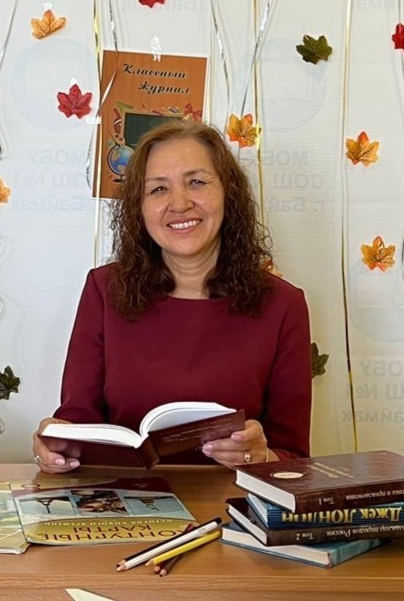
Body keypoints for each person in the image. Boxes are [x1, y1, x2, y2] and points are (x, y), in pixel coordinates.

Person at [32, 120, 312, 473]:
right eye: (158, 189)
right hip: (124, 497)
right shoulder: (104, 289)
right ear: (139, 207)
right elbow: (77, 422)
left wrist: (263, 456)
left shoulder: (284, 305)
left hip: (233, 501)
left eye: (196, 182)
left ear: (229, 193)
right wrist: (56, 445)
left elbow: (294, 458)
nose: (179, 203)